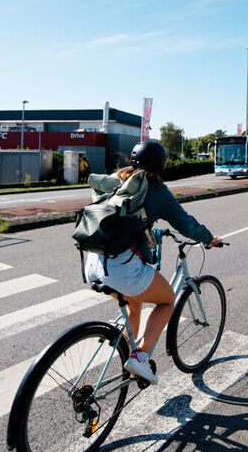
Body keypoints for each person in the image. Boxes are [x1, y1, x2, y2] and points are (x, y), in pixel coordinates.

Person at [83, 140, 222, 385]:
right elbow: (185, 223)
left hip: (93, 260)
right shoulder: (155, 189)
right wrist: (209, 239)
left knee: (134, 304)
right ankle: (140, 356)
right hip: (119, 267)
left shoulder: (117, 179)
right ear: (161, 165)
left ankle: (125, 355)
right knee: (167, 300)